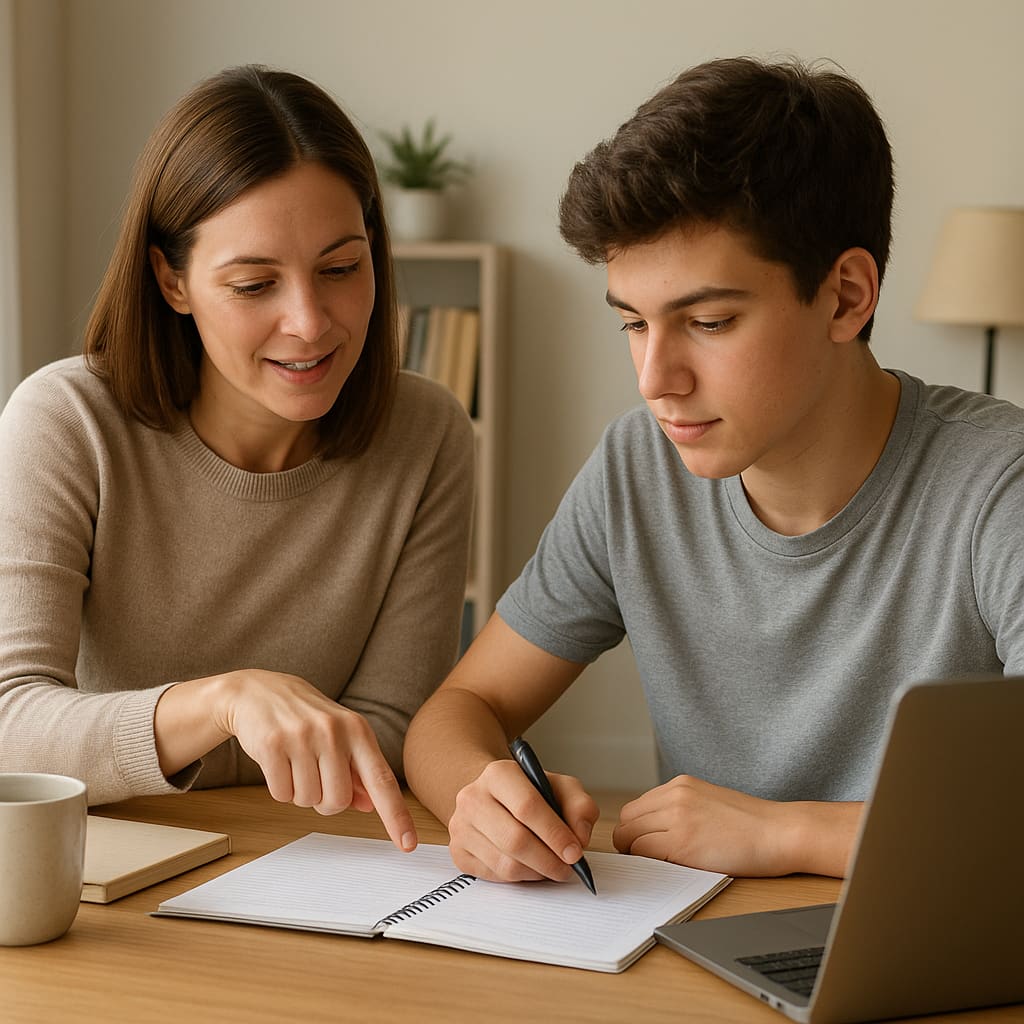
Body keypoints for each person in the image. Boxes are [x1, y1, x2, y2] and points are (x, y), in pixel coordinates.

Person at [404, 55, 1024, 881]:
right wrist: (479, 794)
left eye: (708, 320)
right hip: (697, 961)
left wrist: (784, 835)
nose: (656, 378)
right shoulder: (637, 467)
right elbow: (458, 710)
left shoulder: (997, 486)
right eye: (633, 323)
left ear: (846, 296)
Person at [0, 66, 474, 852]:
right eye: (255, 284)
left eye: (341, 268)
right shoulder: (66, 421)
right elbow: (9, 724)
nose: (310, 323)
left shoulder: (426, 434)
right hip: (97, 870)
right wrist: (223, 704)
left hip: (297, 860)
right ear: (171, 280)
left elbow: (390, 730)